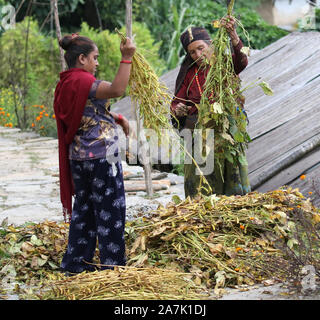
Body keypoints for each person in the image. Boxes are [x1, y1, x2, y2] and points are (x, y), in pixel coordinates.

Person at [54, 33, 136, 274]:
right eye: (94, 58)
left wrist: (116, 117)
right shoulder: (84, 81)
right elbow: (117, 89)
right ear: (81, 58)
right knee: (110, 210)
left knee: (85, 210)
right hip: (101, 157)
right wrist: (127, 57)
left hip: (79, 159)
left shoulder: (65, 83)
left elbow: (85, 112)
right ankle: (112, 266)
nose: (97, 63)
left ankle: (76, 263)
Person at [171, 16, 251, 198]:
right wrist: (178, 109)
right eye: (192, 52)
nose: (197, 55)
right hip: (198, 136)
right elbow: (176, 101)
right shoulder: (189, 73)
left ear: (211, 45)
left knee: (229, 179)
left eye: (201, 48)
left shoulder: (224, 64)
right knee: (201, 185)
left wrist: (233, 35)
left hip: (226, 134)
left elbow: (242, 61)